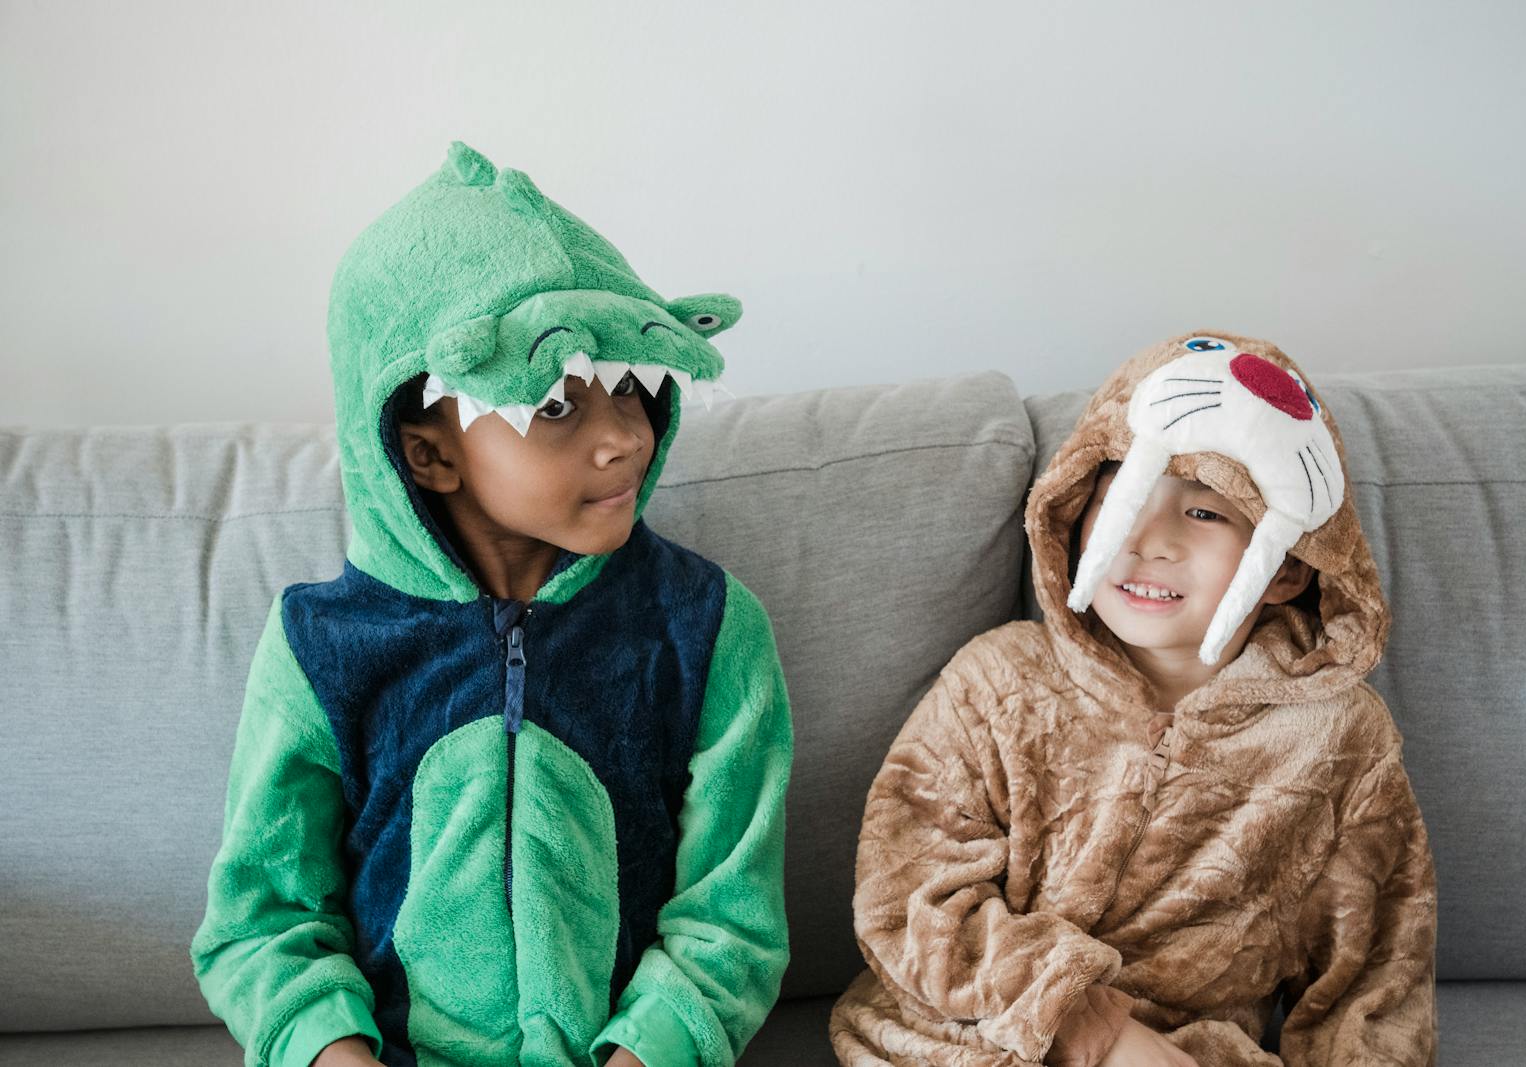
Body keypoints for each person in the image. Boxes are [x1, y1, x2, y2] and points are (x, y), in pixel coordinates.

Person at [190, 141, 792, 1067]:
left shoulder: (707, 628)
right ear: (428, 452)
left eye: (631, 385)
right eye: (556, 405)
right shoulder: (321, 647)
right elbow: (264, 921)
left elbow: (729, 924)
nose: (625, 436)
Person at [830, 331, 1437, 1066]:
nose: (1153, 538)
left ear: (1286, 569)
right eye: (1126, 493)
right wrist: (1099, 1031)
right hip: (960, 1037)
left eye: (1206, 512)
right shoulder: (996, 680)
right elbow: (909, 894)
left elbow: (1373, 983)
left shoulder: (1337, 740)